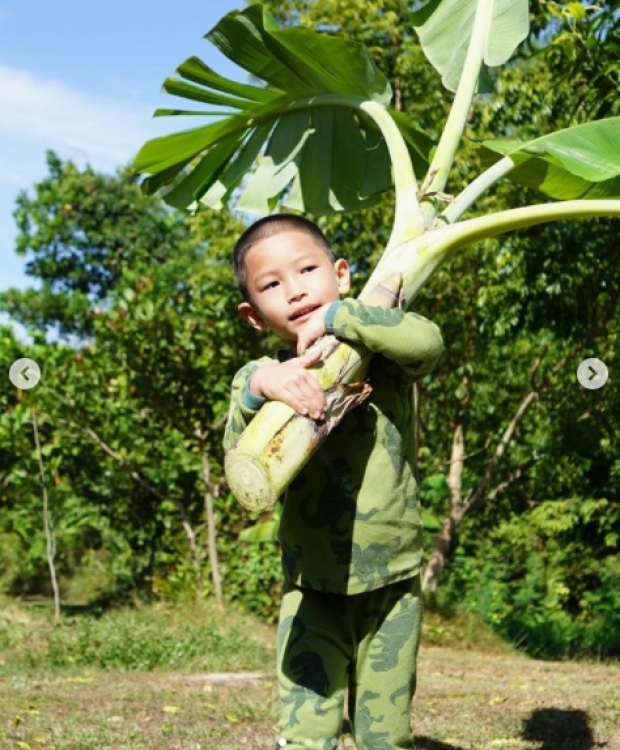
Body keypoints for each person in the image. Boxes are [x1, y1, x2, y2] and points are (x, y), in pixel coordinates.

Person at [224, 213, 443, 750]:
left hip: (391, 583)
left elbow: (427, 343)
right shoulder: (266, 381)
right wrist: (262, 380)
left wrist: (344, 317)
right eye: (272, 284)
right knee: (305, 729)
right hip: (310, 587)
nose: (295, 291)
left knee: (385, 734)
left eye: (307, 270)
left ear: (340, 273)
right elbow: (238, 448)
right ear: (254, 316)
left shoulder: (380, 357)